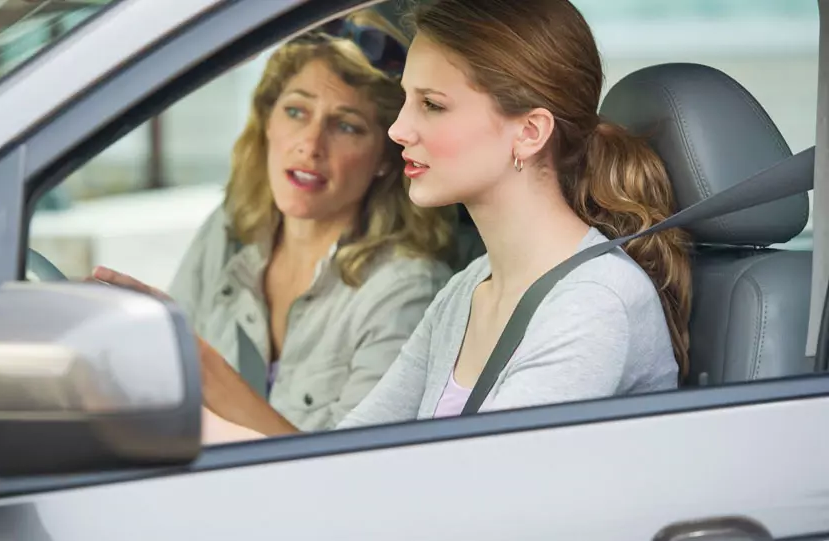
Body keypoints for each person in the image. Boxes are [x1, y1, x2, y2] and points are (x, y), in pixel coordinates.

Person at [200, 0, 692, 444]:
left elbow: (479, 500)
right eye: (407, 100)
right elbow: (347, 458)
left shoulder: (593, 305)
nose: (397, 129)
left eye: (432, 105)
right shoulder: (469, 290)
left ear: (529, 132)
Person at [90, 10, 456, 432]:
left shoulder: (406, 289)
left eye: (346, 127)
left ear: (384, 160)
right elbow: (162, 385)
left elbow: (348, 478)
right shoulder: (230, 231)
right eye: (296, 112)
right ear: (267, 122)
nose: (310, 144)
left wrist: (206, 370)